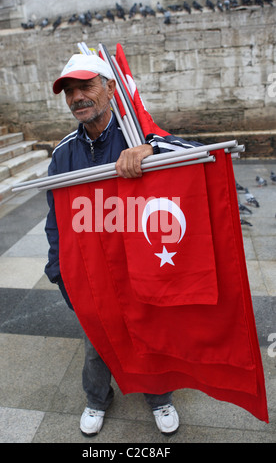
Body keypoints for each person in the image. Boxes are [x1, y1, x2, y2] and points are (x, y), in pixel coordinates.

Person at [45, 53, 200, 437]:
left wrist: (153, 151)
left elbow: (200, 155)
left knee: (147, 334)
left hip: (138, 264)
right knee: (97, 340)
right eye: (70, 91)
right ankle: (98, 399)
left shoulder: (139, 136)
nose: (78, 97)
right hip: (91, 271)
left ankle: (159, 397)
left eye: (86, 87)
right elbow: (56, 218)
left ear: (111, 88)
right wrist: (58, 270)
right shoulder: (64, 153)